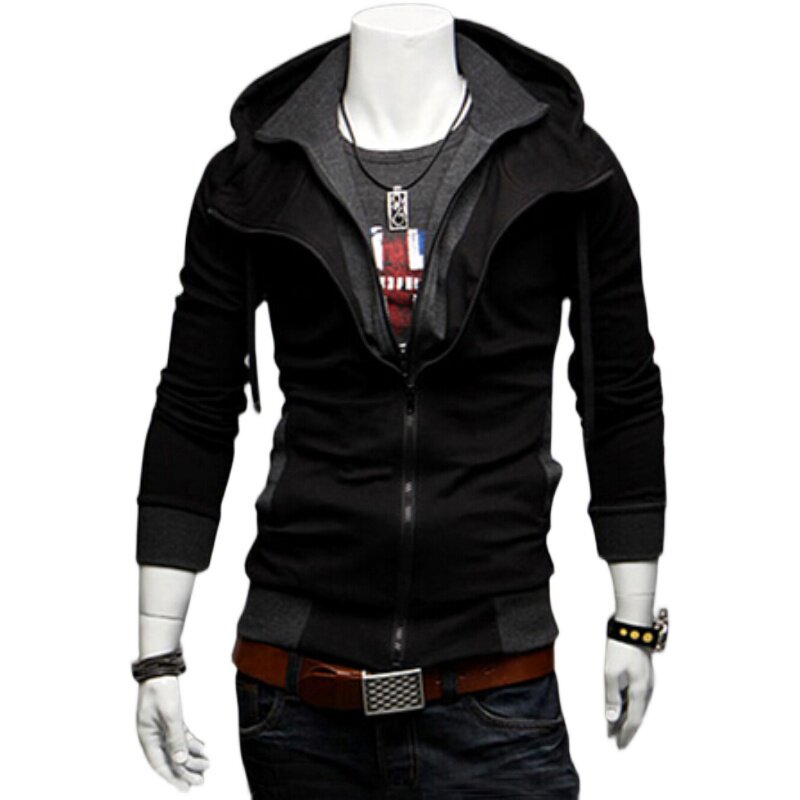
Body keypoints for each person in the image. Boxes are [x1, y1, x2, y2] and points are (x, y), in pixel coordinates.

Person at [132, 6, 669, 798]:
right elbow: (194, 404)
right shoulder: (257, 176)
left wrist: (635, 618)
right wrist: (157, 653)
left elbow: (619, 391)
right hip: (296, 699)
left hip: (496, 689)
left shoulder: (565, 170)